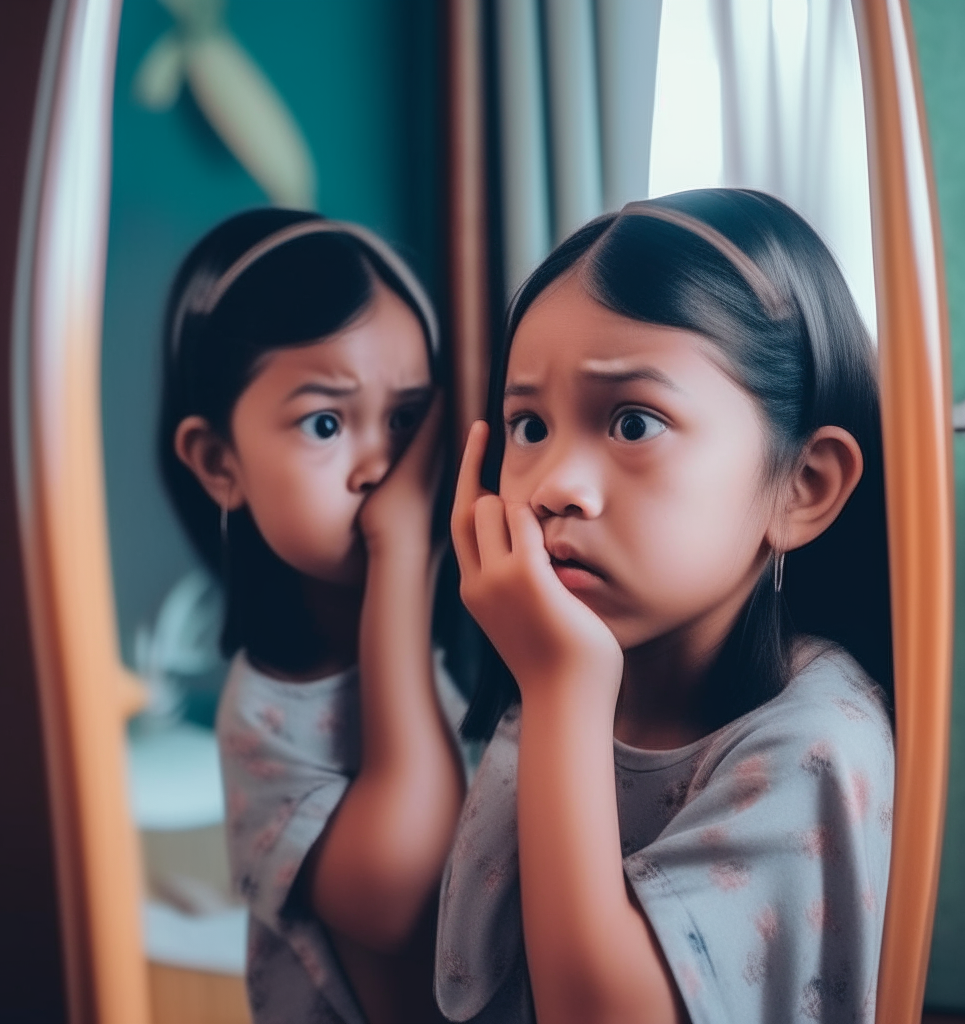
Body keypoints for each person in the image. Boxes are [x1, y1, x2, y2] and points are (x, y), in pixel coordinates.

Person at [438, 189, 894, 1024]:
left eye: (633, 422)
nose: (554, 488)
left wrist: (561, 691)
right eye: (528, 426)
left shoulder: (818, 741)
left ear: (803, 485)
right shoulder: (556, 660)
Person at [158, 209, 466, 1024]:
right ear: (219, 462)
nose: (378, 466)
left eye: (406, 420)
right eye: (325, 423)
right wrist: (403, 552)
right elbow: (396, 892)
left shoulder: (457, 639)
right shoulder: (263, 717)